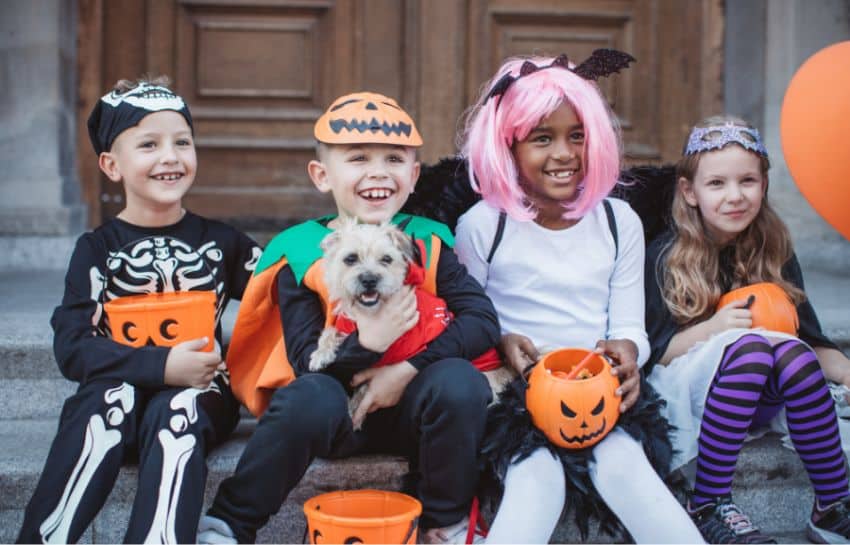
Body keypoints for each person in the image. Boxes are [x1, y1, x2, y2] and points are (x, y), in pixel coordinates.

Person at [197, 91, 498, 544]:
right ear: (322, 175)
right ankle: (230, 523)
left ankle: (444, 523)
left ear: (414, 175)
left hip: (416, 415)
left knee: (459, 382)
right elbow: (305, 361)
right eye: (358, 158)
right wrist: (370, 343)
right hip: (337, 417)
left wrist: (405, 369)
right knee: (308, 394)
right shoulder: (300, 253)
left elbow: (481, 321)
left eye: (394, 159)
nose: (378, 172)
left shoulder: (429, 244)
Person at [453, 52, 704, 544]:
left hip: (598, 388)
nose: (564, 154)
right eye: (542, 139)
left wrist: (630, 351)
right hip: (515, 394)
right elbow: (467, 319)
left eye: (577, 136)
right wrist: (500, 340)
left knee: (624, 465)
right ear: (508, 146)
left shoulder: (617, 221)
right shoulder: (484, 226)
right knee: (536, 476)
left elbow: (628, 322)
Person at [16, 77, 261, 544]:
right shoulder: (96, 250)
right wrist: (161, 364)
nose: (170, 156)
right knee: (106, 400)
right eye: (149, 144)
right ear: (112, 164)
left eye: (182, 142)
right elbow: (72, 347)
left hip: (198, 393)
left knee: (180, 409)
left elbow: (279, 290)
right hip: (118, 393)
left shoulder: (223, 242)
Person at [644, 114, 850, 544]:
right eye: (717, 184)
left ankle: (831, 502)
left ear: (764, 184)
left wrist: (846, 371)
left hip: (757, 396)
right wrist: (716, 328)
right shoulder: (665, 255)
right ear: (690, 191)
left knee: (792, 353)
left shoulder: (773, 250)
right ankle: (708, 501)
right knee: (754, 348)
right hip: (688, 394)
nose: (735, 196)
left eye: (748, 181)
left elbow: (811, 341)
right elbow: (655, 353)